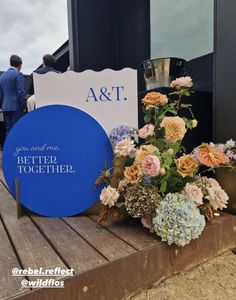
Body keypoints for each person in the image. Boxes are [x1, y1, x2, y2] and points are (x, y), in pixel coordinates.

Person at [0, 54, 26, 135]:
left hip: (5, 107)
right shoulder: (18, 75)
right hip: (16, 107)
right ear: (20, 64)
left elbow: (1, 94)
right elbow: (20, 92)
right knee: (17, 129)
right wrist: (23, 105)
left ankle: (8, 147)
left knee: (8, 130)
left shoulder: (2, 76)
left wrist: (2, 105)